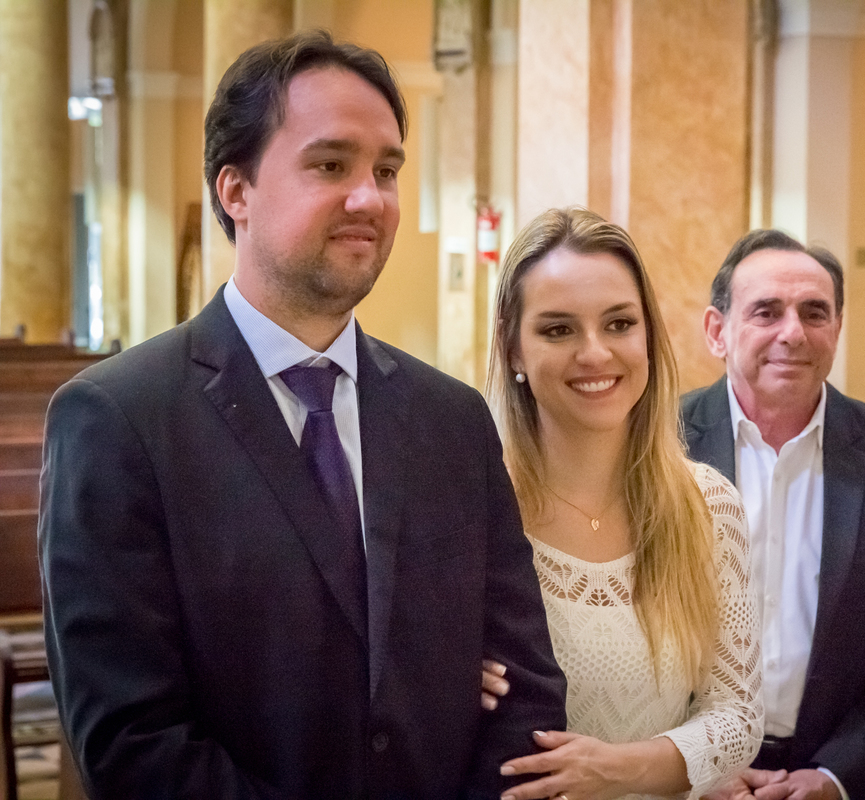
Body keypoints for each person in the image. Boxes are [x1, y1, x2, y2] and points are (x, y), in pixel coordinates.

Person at [38, 31, 566, 799]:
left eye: (386, 170)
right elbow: (132, 739)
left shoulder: (451, 419)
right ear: (236, 191)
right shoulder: (118, 421)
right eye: (330, 165)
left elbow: (522, 681)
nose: (370, 198)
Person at [483, 207, 763, 800]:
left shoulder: (706, 504)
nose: (595, 354)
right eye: (558, 329)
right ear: (512, 348)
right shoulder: (471, 508)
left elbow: (737, 716)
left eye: (618, 324)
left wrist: (614, 770)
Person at [682, 230, 865, 800]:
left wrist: (836, 775)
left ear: (836, 328)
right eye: (766, 311)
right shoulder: (659, 443)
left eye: (815, 312)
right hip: (687, 778)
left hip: (847, 778)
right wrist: (692, 766)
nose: (793, 333)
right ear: (717, 331)